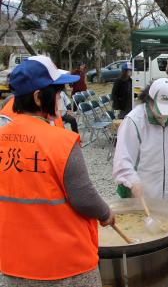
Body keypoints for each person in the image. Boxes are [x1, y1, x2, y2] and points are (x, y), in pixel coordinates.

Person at [0, 56, 114, 286]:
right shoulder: (62, 142)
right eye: (58, 92)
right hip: (65, 264)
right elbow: (84, 197)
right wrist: (105, 213)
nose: (62, 99)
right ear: (38, 97)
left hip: (14, 262)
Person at [112, 78, 168, 279]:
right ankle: (141, 270)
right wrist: (132, 181)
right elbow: (122, 160)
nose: (163, 115)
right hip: (139, 189)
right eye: (159, 109)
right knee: (141, 230)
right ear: (149, 101)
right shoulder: (134, 121)